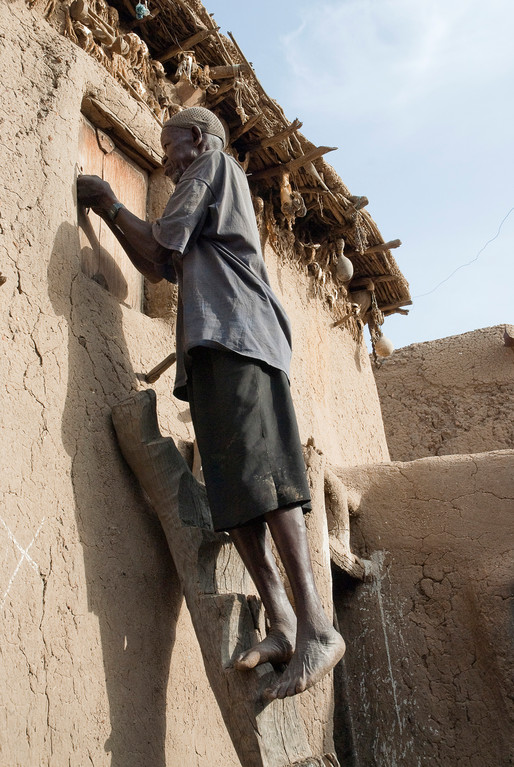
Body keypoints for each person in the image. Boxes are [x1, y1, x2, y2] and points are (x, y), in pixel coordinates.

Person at [77, 107, 345, 700]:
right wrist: (114, 212)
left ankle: (318, 629)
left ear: (197, 139)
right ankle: (281, 623)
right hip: (212, 345)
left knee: (268, 482)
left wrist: (105, 201)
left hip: (241, 338)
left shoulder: (211, 164)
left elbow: (161, 237)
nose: (167, 160)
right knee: (234, 491)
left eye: (170, 145)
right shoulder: (195, 192)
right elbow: (155, 261)